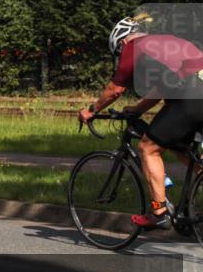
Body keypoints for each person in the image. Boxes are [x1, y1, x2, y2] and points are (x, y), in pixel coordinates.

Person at [78, 17, 203, 229]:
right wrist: (138, 109)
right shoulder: (165, 43)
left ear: (122, 42)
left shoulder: (134, 46)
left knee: (148, 148)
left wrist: (91, 110)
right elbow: (164, 86)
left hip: (192, 96)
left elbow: (115, 90)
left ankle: (159, 212)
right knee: (180, 147)